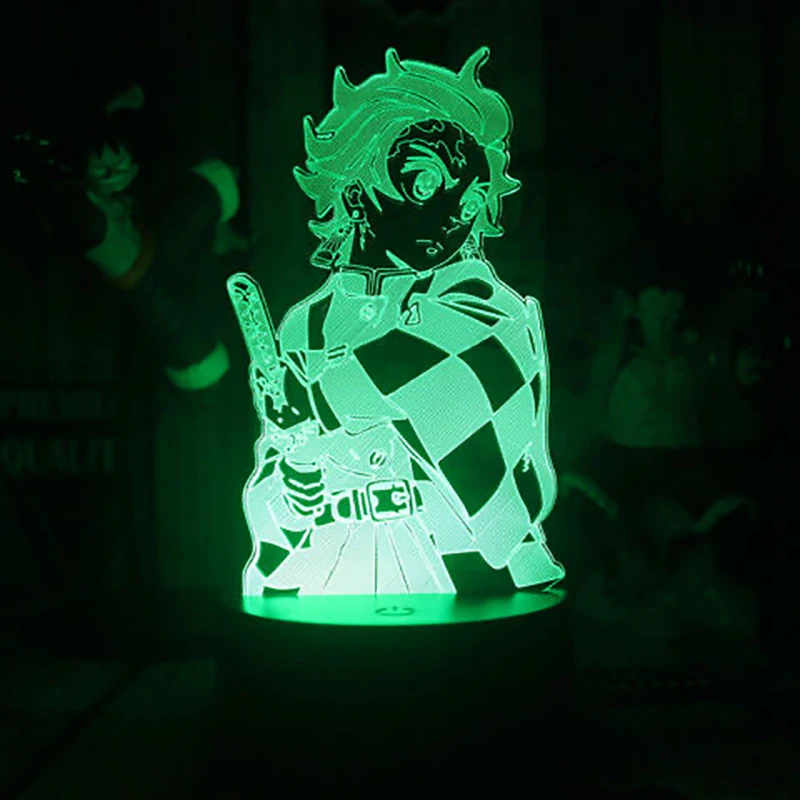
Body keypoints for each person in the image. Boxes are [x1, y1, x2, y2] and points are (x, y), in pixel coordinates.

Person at [229, 47, 565, 595]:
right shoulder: (306, 324)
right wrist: (293, 482)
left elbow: (441, 364)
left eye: (472, 197)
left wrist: (317, 398)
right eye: (425, 183)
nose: (456, 213)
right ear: (356, 193)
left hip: (467, 579)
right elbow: (273, 472)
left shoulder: (484, 303)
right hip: (335, 579)